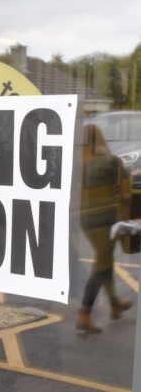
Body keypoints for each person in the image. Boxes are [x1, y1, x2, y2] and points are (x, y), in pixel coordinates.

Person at [77, 123, 132, 332]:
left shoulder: (80, 163)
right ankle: (84, 312)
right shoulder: (111, 162)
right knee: (102, 263)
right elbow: (127, 185)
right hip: (106, 220)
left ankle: (115, 303)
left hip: (86, 220)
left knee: (105, 259)